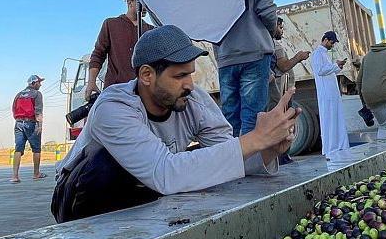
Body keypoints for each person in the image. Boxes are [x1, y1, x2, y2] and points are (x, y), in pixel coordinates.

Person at [52, 25, 298, 222]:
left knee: (203, 161)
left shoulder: (193, 100)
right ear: (147, 75)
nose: (189, 83)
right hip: (77, 197)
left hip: (147, 187)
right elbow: (165, 173)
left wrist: (266, 148)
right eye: (179, 76)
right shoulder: (113, 107)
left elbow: (230, 156)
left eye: (190, 73)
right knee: (107, 164)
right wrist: (254, 137)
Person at [213, 0, 278, 136]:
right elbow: (266, 10)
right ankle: (251, 164)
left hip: (226, 56)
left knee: (230, 117)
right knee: (253, 116)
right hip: (254, 52)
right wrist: (272, 30)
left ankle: (233, 163)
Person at [85, 0, 153, 100]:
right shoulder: (111, 24)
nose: (145, 6)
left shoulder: (151, 30)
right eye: (142, 2)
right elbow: (98, 54)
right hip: (115, 91)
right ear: (129, 2)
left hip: (142, 94)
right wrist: (91, 82)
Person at [267, 17, 309, 164]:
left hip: (281, 92)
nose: (282, 30)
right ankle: (282, 157)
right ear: (274, 27)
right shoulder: (273, 45)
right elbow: (284, 66)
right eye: (281, 27)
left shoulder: (272, 44)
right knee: (282, 124)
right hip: (279, 93)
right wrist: (299, 57)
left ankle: (282, 156)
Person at [311, 31, 350, 159]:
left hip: (332, 92)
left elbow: (329, 70)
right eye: (332, 42)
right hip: (326, 94)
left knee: (336, 118)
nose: (332, 45)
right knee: (329, 120)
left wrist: (338, 66)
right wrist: (335, 65)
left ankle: (339, 145)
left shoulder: (325, 54)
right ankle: (330, 147)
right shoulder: (317, 54)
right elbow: (320, 70)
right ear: (326, 40)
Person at [11, 75, 46, 183]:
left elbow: (13, 109)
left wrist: (19, 119)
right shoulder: (37, 94)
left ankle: (15, 176)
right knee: (36, 149)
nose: (40, 84)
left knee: (18, 148)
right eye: (39, 82)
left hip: (18, 123)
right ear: (33, 83)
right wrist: (39, 125)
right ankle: (36, 174)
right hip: (31, 123)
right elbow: (38, 111)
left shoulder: (18, 95)